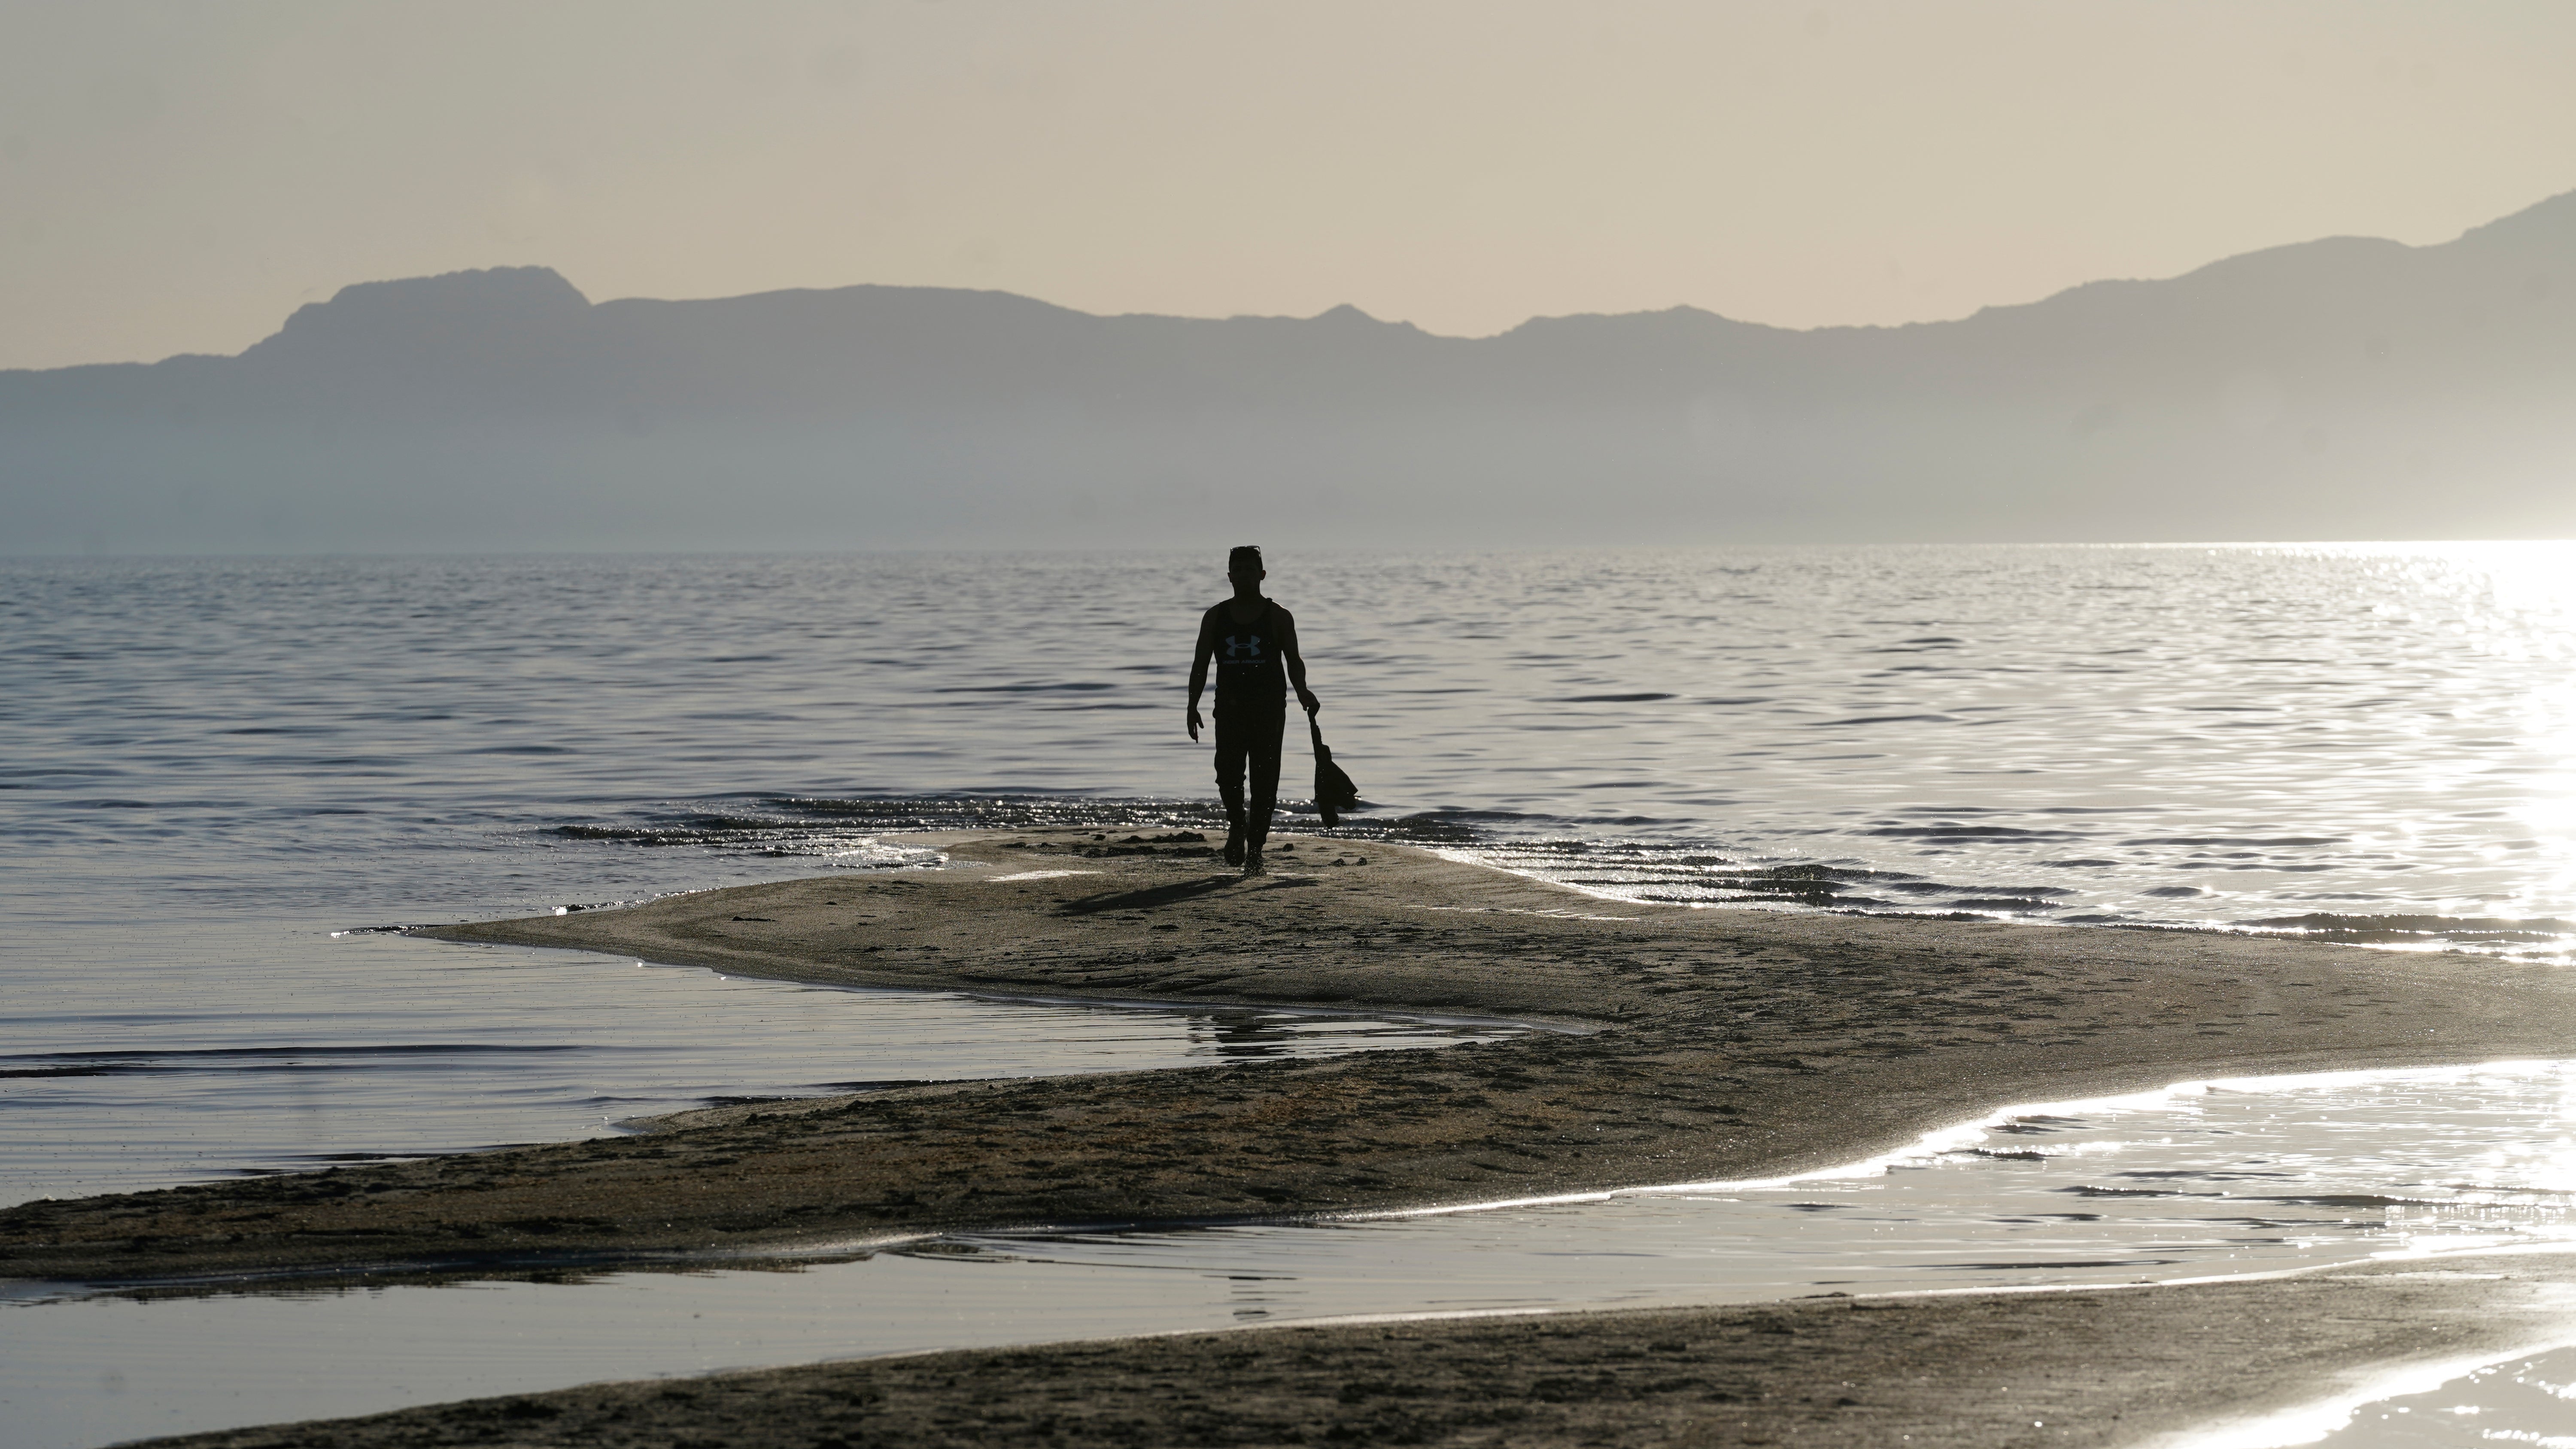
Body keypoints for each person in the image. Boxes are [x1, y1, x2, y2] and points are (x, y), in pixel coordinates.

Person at [1187, 545, 1319, 875]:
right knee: (1227, 773)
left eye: (1250, 569)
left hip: (1269, 710)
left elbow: (1294, 661)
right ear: (1229, 576)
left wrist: (1303, 691)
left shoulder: (1278, 616)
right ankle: (1237, 825)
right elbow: (1200, 664)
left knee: (1265, 779)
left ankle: (1256, 848)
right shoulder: (1215, 617)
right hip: (1229, 708)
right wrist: (1192, 705)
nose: (1244, 575)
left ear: (1262, 575)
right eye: (1238, 569)